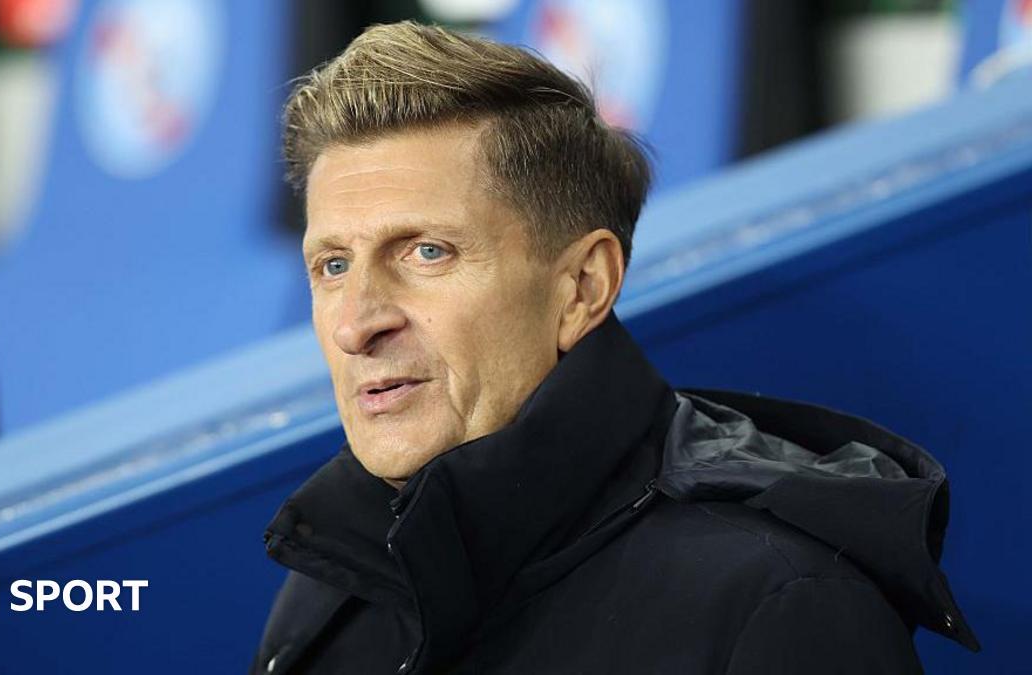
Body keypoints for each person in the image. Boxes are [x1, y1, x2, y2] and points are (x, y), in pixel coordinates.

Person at [252, 21, 978, 674]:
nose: (355, 325)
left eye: (427, 252)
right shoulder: (334, 580)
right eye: (333, 265)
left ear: (582, 287)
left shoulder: (779, 604)